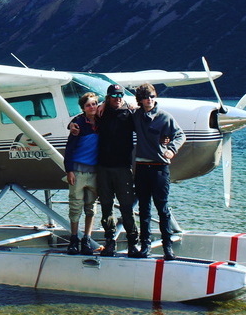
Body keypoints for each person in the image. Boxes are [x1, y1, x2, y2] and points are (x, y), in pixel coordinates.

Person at [132, 83, 185, 260]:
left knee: (162, 209)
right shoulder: (136, 116)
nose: (150, 99)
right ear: (140, 99)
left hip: (159, 168)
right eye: (146, 96)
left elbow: (180, 135)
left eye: (152, 96)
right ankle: (145, 246)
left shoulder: (164, 117)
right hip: (141, 168)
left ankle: (167, 248)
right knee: (144, 209)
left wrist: (172, 149)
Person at [95, 84, 140, 257]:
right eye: (114, 95)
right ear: (107, 97)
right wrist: (72, 126)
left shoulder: (129, 114)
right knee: (106, 207)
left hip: (123, 168)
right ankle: (110, 242)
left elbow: (148, 121)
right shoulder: (101, 112)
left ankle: (132, 243)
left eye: (120, 95)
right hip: (103, 168)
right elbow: (81, 117)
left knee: (127, 208)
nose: (118, 98)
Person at [63, 92, 101, 255]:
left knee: (91, 207)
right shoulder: (78, 124)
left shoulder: (102, 121)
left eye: (94, 104)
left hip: (95, 172)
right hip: (78, 171)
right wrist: (69, 170)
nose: (92, 107)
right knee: (75, 206)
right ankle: (73, 238)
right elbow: (69, 149)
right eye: (88, 105)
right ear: (83, 109)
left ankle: (87, 238)